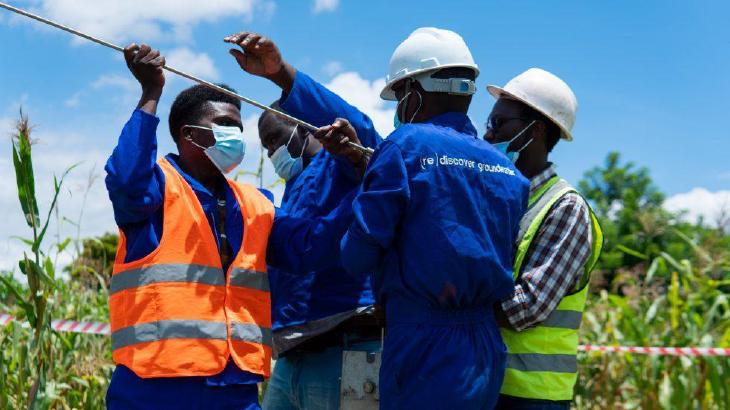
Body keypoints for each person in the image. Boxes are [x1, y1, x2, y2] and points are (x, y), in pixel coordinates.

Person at [225, 27, 529, 409]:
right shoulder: (507, 169)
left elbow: (357, 254)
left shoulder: (406, 146)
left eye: (400, 95)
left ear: (414, 95)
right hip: (483, 345)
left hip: (419, 339)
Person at [104, 43, 363, 410]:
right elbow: (125, 182)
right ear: (187, 133)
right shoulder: (157, 188)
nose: (235, 136)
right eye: (224, 125)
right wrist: (150, 92)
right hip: (154, 391)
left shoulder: (256, 203)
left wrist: (360, 177)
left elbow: (310, 248)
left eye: (238, 128)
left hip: (236, 391)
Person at [484, 68, 603, 409]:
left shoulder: (565, 207)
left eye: (499, 124)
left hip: (532, 396)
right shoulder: (500, 198)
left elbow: (525, 308)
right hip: (488, 381)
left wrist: (440, 303)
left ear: (534, 131)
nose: (488, 135)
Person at [255, 100, 381, 409]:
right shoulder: (294, 184)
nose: (272, 152)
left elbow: (365, 155)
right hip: (293, 352)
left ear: (303, 126)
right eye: (266, 146)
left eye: (275, 138)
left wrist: (350, 153)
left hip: (346, 345)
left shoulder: (336, 161)